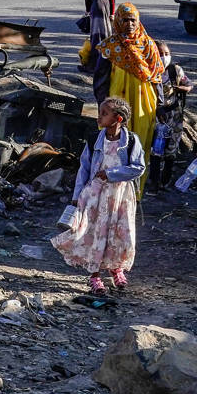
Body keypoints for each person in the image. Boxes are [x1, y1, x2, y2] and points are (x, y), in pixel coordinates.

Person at [51, 95, 146, 293]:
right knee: (94, 232)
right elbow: (84, 168)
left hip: (120, 197)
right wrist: (77, 195)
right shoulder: (95, 139)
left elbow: (138, 167)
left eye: (104, 114)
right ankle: (94, 276)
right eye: (100, 113)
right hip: (95, 195)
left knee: (121, 234)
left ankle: (116, 269)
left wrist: (111, 174)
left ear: (118, 119)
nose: (99, 117)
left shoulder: (131, 141)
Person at [81, 2, 162, 195]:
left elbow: (157, 77)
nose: (129, 24)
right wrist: (103, 106)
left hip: (144, 105)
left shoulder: (148, 45)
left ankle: (134, 193)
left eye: (133, 20)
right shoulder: (110, 47)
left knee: (139, 146)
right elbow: (100, 80)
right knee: (113, 145)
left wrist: (162, 105)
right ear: (117, 21)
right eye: (124, 20)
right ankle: (107, 189)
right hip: (116, 106)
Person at [151, 42, 192, 188]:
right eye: (160, 54)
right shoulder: (148, 72)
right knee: (155, 149)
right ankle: (154, 182)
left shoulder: (175, 70)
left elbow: (189, 84)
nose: (164, 57)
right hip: (155, 116)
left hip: (174, 116)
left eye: (166, 54)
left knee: (172, 147)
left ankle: (166, 180)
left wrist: (184, 88)